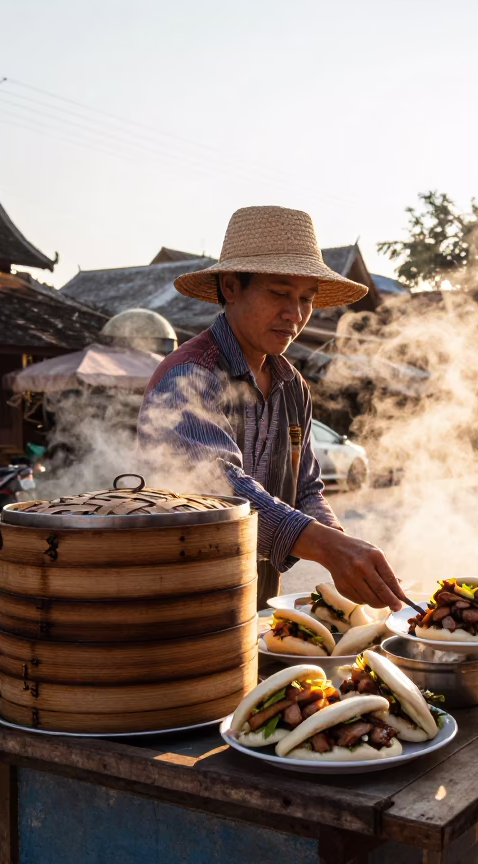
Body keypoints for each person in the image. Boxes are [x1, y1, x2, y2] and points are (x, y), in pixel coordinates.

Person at [138, 205, 404, 612]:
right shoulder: (190, 375)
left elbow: (306, 488)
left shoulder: (293, 387)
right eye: (279, 293)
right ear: (230, 287)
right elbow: (220, 491)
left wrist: (343, 548)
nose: (294, 315)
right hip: (184, 603)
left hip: (259, 601)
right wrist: (329, 547)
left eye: (306, 299)